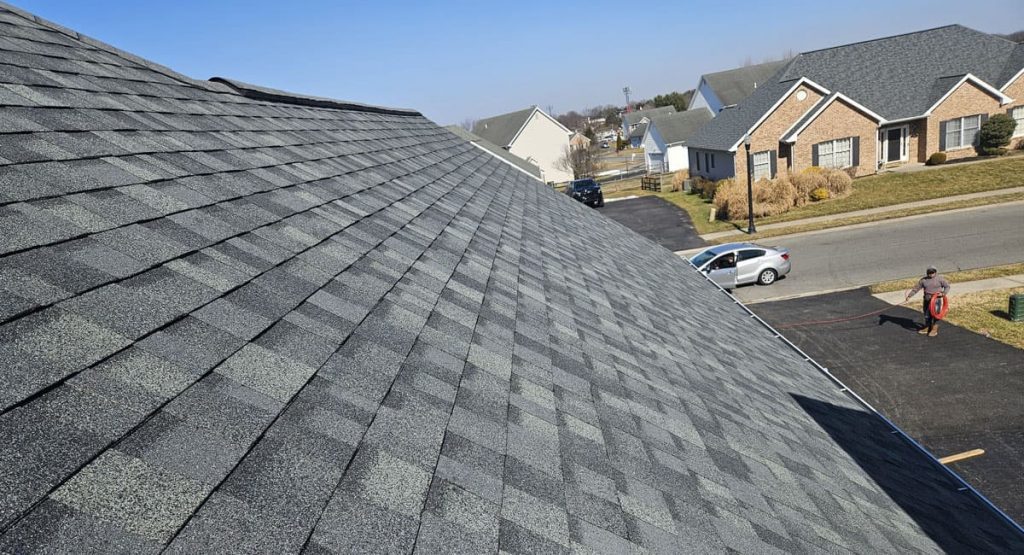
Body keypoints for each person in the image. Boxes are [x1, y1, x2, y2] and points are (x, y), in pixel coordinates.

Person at [905, 266, 950, 336]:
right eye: (929, 273)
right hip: (927, 299)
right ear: (927, 273)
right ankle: (927, 327)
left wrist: (943, 293)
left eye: (932, 272)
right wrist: (909, 296)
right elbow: (916, 288)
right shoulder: (923, 280)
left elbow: (947, 286)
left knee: (935, 314)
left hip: (936, 300)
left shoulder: (940, 279)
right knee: (926, 314)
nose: (931, 274)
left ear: (935, 272)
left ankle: (934, 328)